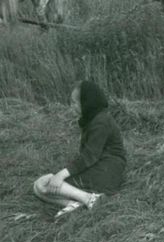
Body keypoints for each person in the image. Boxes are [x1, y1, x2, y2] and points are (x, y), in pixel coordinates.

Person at [33, 80, 127, 219]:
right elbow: (88, 156)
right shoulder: (95, 118)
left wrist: (61, 174)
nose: (71, 106)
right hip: (102, 169)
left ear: (86, 102)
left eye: (74, 102)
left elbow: (89, 156)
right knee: (39, 186)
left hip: (107, 173)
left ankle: (89, 199)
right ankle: (75, 203)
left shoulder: (101, 122)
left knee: (43, 184)